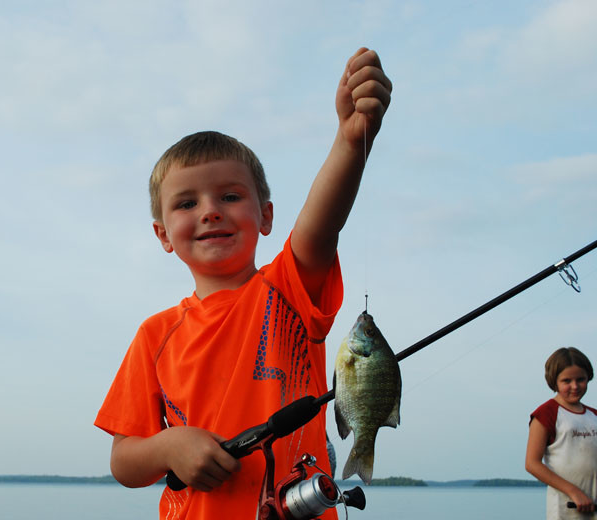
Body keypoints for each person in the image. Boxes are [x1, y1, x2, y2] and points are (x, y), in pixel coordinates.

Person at [95, 47, 391, 520]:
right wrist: (171, 445)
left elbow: (321, 226)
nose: (210, 210)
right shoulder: (154, 336)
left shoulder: (289, 293)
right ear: (162, 235)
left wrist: (350, 141)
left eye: (230, 196)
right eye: (186, 203)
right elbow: (123, 460)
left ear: (266, 216)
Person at [526, 347, 597, 518]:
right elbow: (532, 464)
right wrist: (574, 492)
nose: (575, 386)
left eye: (581, 379)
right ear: (554, 381)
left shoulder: (594, 415)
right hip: (565, 509)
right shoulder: (546, 413)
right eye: (566, 381)